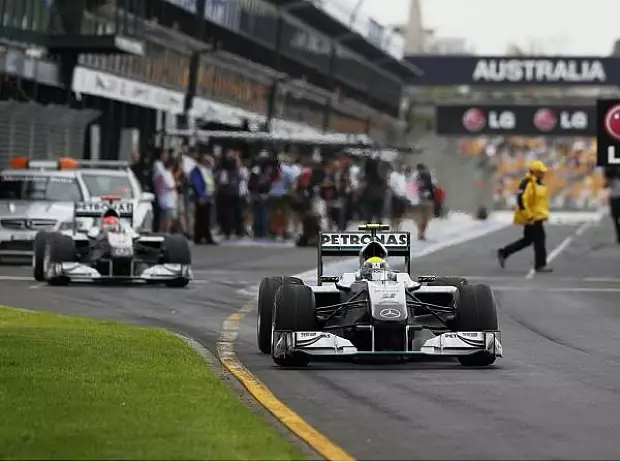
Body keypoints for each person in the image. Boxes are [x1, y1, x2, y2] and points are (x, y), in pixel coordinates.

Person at [497, 160, 553, 273]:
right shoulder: (527, 183)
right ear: (535, 171)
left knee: (528, 240)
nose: (543, 174)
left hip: (537, 217)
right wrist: (529, 216)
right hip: (532, 218)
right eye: (540, 172)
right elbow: (521, 201)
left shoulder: (538, 183)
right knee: (540, 240)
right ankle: (540, 265)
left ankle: (504, 252)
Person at [189, 152, 216, 245]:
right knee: (201, 218)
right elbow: (196, 184)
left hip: (208, 197)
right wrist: (200, 195)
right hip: (201, 197)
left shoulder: (207, 169)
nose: (208, 162)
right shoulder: (197, 170)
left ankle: (206, 236)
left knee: (206, 218)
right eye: (206, 160)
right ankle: (199, 237)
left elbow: (210, 181)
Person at [604, 166, 620, 243]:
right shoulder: (611, 176)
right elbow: (606, 184)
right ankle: (618, 236)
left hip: (616, 198)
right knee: (615, 218)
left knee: (616, 219)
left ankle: (619, 236)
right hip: (615, 198)